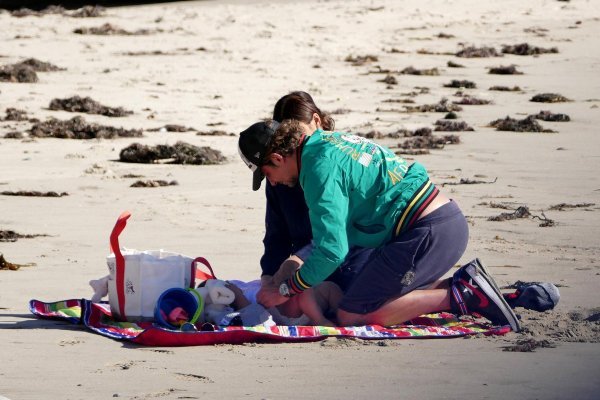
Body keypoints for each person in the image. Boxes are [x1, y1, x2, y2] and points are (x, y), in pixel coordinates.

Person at [238, 118, 521, 331]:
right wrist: (296, 262)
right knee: (359, 296)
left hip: (427, 230)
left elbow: (332, 252)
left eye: (267, 174)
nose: (272, 183)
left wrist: (287, 290)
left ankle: (463, 295)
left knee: (354, 315)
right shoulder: (324, 143)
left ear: (277, 158)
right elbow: (339, 236)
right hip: (438, 222)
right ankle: (469, 285)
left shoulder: (316, 170)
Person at [255, 91, 372, 308]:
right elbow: (276, 235)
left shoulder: (336, 164)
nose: (295, 142)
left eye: (297, 131)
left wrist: (297, 261)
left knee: (348, 308)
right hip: (307, 269)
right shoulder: (279, 179)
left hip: (349, 256)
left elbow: (344, 234)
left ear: (317, 121)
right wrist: (269, 279)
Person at [227, 279, 342, 326]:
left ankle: (339, 314)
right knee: (306, 285)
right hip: (276, 309)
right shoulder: (234, 290)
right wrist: (237, 295)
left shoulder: (235, 287)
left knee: (327, 288)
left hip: (277, 310)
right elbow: (249, 312)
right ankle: (321, 320)